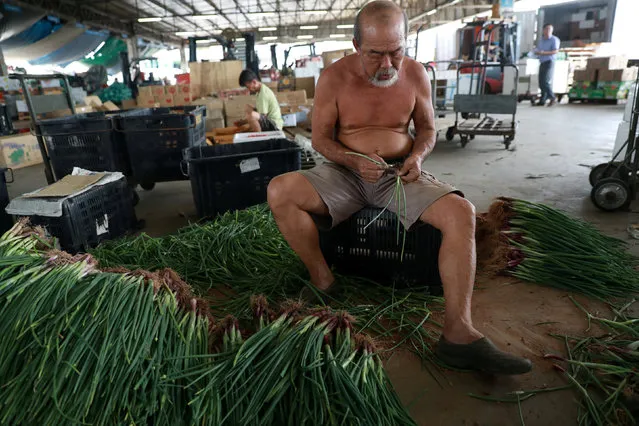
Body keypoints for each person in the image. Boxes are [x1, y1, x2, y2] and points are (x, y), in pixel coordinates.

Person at [266, 0, 532, 375]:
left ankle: (459, 333)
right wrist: (353, 161)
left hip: (398, 174)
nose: (388, 64)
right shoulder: (333, 78)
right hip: (345, 172)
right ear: (357, 45)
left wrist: (418, 158)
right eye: (376, 54)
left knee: (462, 213)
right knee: (280, 191)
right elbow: (321, 140)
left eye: (397, 51)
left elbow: (426, 129)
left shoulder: (416, 74)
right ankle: (324, 282)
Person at [535, 24, 561, 106]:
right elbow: (538, 49)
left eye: (550, 29)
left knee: (545, 81)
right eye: (546, 29)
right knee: (541, 82)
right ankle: (543, 100)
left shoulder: (554, 40)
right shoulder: (541, 40)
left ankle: (552, 97)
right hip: (542, 62)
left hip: (549, 61)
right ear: (543, 30)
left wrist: (543, 53)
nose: (548, 31)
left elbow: (555, 51)